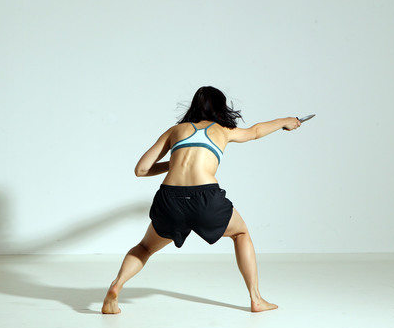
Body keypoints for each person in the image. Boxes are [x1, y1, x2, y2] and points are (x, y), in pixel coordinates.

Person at [102, 86, 301, 314]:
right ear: (221, 107)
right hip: (205, 197)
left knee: (145, 247)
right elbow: (255, 131)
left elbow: (141, 169)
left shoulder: (175, 131)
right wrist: (286, 121)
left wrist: (175, 163)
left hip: (169, 198)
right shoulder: (224, 129)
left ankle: (116, 286)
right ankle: (256, 299)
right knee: (240, 233)